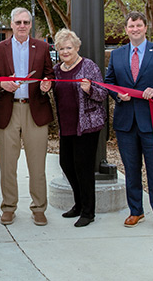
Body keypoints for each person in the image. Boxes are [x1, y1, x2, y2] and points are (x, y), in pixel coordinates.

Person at [105, 11, 153, 234]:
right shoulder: (117, 55)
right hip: (126, 123)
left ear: (145, 27)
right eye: (131, 26)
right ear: (126, 29)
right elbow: (110, 82)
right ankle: (136, 210)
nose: (135, 29)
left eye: (139, 25)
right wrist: (118, 95)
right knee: (131, 169)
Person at [0, 7, 54, 226]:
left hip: (35, 110)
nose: (23, 26)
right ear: (12, 24)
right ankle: (8, 207)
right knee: (7, 164)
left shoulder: (43, 47)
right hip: (8, 110)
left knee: (37, 164)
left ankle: (38, 208)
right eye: (18, 22)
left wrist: (47, 84)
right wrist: (1, 84)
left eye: (26, 22)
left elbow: (50, 74)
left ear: (30, 25)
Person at [40, 29, 107, 227]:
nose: (65, 52)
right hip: (66, 125)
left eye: (69, 48)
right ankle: (78, 204)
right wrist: (45, 88)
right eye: (61, 49)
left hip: (87, 126)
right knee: (66, 164)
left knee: (83, 168)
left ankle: (88, 211)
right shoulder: (57, 70)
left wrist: (90, 89)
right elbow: (50, 89)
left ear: (77, 47)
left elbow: (103, 94)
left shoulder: (88, 66)